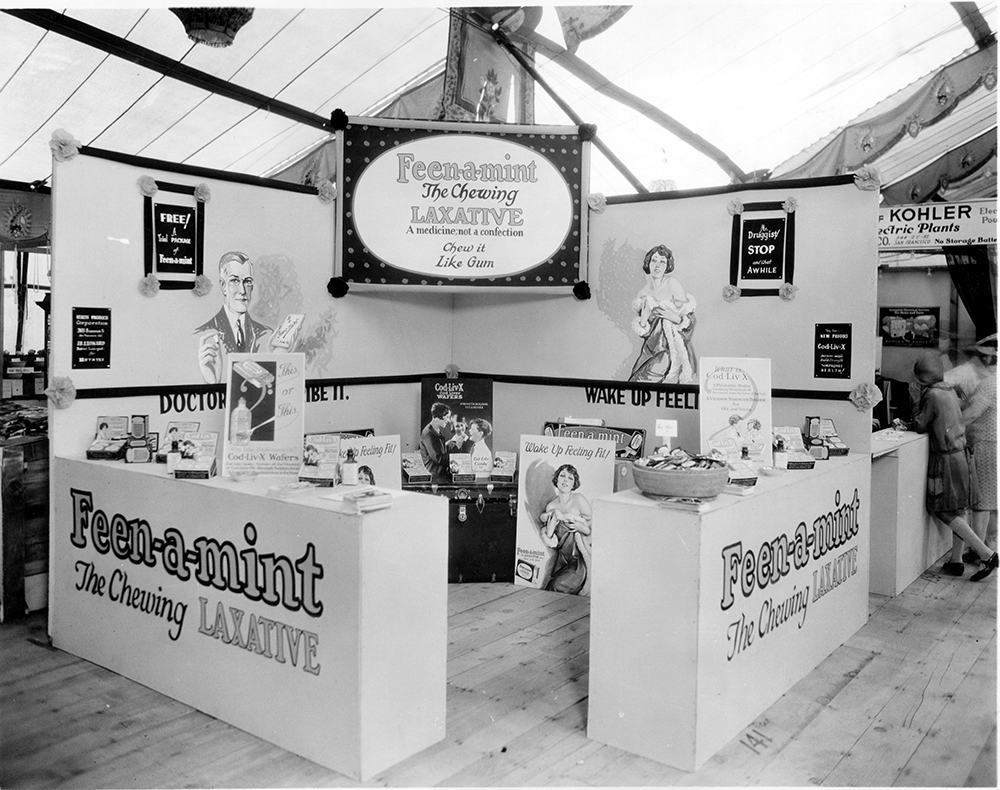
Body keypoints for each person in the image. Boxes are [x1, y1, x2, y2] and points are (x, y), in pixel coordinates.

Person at [909, 351, 997, 581]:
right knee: (957, 507)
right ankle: (955, 561)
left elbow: (920, 424)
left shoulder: (931, 395)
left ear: (920, 377)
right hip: (961, 455)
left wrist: (914, 399)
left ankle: (986, 554)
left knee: (943, 508)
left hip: (945, 459)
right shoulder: (948, 390)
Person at [195, 251, 274, 384]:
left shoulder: (266, 335)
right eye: (235, 281)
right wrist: (212, 383)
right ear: (223, 286)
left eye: (247, 282)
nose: (243, 290)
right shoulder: (204, 336)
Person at [628, 244, 697, 384]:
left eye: (662, 262)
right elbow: (645, 332)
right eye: (654, 261)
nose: (657, 266)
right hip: (651, 348)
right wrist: (644, 319)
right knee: (635, 383)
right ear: (648, 263)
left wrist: (675, 318)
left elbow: (689, 319)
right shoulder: (643, 293)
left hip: (671, 349)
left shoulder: (673, 284)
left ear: (667, 266)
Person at [960, 335, 997, 565]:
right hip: (995, 444)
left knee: (982, 501)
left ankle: (979, 549)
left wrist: (951, 423)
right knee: (994, 501)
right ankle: (990, 544)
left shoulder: (990, 383)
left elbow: (974, 413)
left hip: (986, 445)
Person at [539, 464, 593, 595]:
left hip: (578, 561)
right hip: (562, 558)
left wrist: (582, 528)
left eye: (570, 478)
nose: (565, 480)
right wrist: (550, 530)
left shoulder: (579, 499)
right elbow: (552, 540)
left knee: (556, 586)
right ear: (556, 480)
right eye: (562, 476)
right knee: (550, 585)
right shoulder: (551, 506)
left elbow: (592, 525)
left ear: (574, 483)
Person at [419, 402, 454, 483]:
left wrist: (450, 444)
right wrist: (456, 457)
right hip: (434, 476)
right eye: (447, 417)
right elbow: (438, 458)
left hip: (439, 473)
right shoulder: (428, 434)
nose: (448, 421)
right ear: (437, 418)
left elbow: (438, 448)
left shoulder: (436, 429)